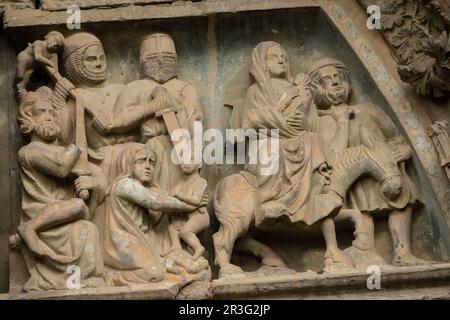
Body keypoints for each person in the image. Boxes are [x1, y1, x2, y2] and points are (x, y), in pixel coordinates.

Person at [307, 58, 426, 265]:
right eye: (327, 80)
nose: (335, 82)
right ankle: (367, 255)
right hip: (355, 179)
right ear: (317, 88)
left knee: (401, 204)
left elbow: (395, 137)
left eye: (337, 77)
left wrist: (404, 150)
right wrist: (341, 120)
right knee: (363, 211)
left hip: (386, 168)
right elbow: (333, 157)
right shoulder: (322, 120)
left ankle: (402, 252)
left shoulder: (369, 110)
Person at [16, 87, 104, 291]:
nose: (48, 117)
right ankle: (29, 228)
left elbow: (88, 171)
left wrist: (92, 184)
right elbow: (62, 167)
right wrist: (75, 146)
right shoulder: (29, 152)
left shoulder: (60, 150)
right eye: (41, 112)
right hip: (41, 214)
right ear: (28, 118)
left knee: (88, 228)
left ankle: (82, 279)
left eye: (51, 113)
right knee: (75, 205)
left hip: (63, 218)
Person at [102, 143, 208, 285]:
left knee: (189, 262)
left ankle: (168, 262)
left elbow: (162, 199)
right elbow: (156, 203)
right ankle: (111, 276)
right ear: (128, 163)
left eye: (151, 162)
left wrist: (190, 198)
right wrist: (193, 204)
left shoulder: (146, 189)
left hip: (145, 240)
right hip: (124, 243)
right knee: (154, 273)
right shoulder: (125, 185)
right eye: (141, 160)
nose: (148, 166)